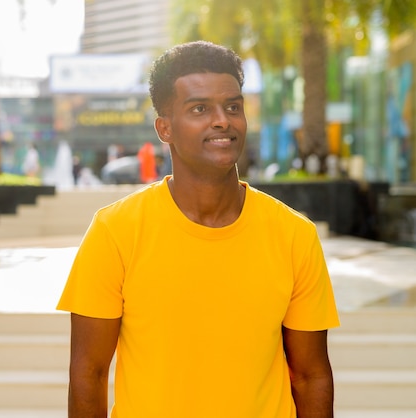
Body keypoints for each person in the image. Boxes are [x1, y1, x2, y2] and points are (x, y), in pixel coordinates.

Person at [56, 40, 340, 417]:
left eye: (233, 107)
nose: (222, 119)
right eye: (200, 108)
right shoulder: (115, 230)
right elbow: (88, 374)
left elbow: (310, 375)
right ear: (165, 128)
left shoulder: (294, 235)